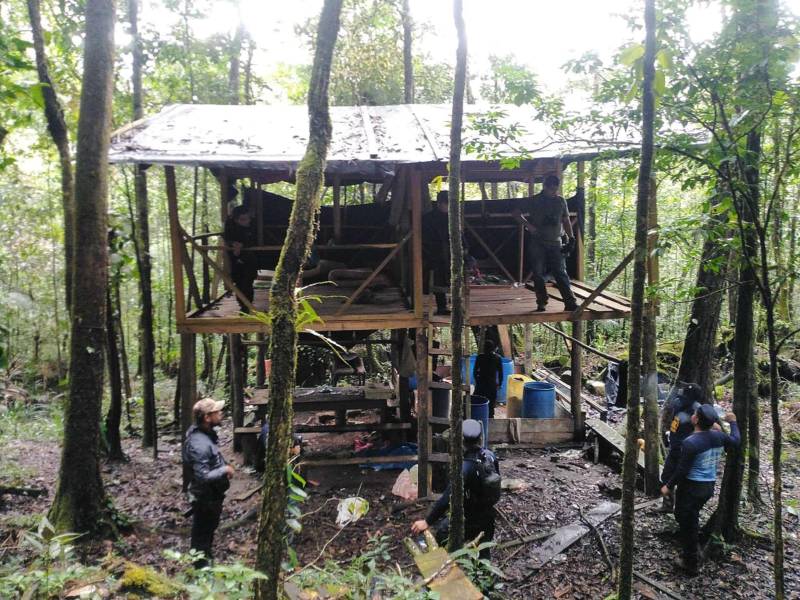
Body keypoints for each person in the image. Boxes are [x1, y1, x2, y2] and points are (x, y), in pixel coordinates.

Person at [661, 405, 740, 575]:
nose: (693, 414)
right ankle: (692, 549)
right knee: (689, 517)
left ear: (696, 419)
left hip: (691, 487)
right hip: (708, 487)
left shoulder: (691, 443)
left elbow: (682, 470)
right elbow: (735, 440)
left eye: (695, 413)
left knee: (686, 521)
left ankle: (691, 562)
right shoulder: (719, 436)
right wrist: (733, 423)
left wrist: (668, 486)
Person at [411, 419, 500, 558]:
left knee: (442, 533)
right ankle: (483, 574)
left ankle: (450, 566)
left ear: (461, 440)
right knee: (484, 552)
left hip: (469, 517)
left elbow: (446, 499)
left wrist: (427, 521)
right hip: (488, 516)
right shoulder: (490, 456)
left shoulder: (464, 468)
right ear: (480, 438)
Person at [513, 174, 578, 312]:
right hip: (538, 242)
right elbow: (516, 212)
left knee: (560, 272)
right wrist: (528, 225)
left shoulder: (560, 201)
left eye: (555, 190)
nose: (553, 192)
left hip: (556, 242)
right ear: (545, 187)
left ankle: (570, 302)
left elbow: (566, 220)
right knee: (538, 273)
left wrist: (571, 238)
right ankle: (541, 302)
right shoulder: (534, 200)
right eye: (551, 190)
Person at [183, 398, 235, 567]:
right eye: (216, 412)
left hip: (212, 497)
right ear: (206, 417)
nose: (220, 414)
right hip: (205, 499)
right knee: (201, 537)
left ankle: (206, 565)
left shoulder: (204, 435)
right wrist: (224, 470)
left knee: (206, 534)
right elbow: (202, 476)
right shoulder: (199, 444)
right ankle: (201, 573)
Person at [421, 190, 475, 316]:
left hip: (453, 254)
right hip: (436, 255)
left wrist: (464, 249)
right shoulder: (428, 219)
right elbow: (426, 240)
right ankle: (442, 307)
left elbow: (460, 237)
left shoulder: (452, 217)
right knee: (439, 276)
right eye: (446, 204)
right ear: (439, 204)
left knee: (462, 271)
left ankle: (457, 306)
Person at [659, 383, 703, 511]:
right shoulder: (678, 403)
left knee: (684, 480)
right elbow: (675, 421)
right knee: (666, 476)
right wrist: (670, 435)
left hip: (688, 451)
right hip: (674, 447)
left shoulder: (698, 411)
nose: (682, 398)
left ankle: (682, 509)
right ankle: (667, 505)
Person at [224, 205, 257, 311]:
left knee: (248, 282)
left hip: (249, 258)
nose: (246, 221)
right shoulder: (230, 226)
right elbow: (227, 238)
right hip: (235, 259)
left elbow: (255, 240)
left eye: (248, 218)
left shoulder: (253, 225)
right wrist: (233, 244)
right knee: (238, 282)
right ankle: (243, 306)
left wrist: (242, 245)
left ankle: (247, 305)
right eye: (243, 219)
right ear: (235, 219)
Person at [473, 340, 504, 418]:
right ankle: (490, 419)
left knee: (479, 402)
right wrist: (499, 383)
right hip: (491, 384)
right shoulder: (497, 358)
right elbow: (501, 373)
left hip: (481, 384)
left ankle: (478, 417)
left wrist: (477, 380)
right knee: (491, 404)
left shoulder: (480, 357)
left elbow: (475, 371)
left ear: (484, 348)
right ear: (493, 348)